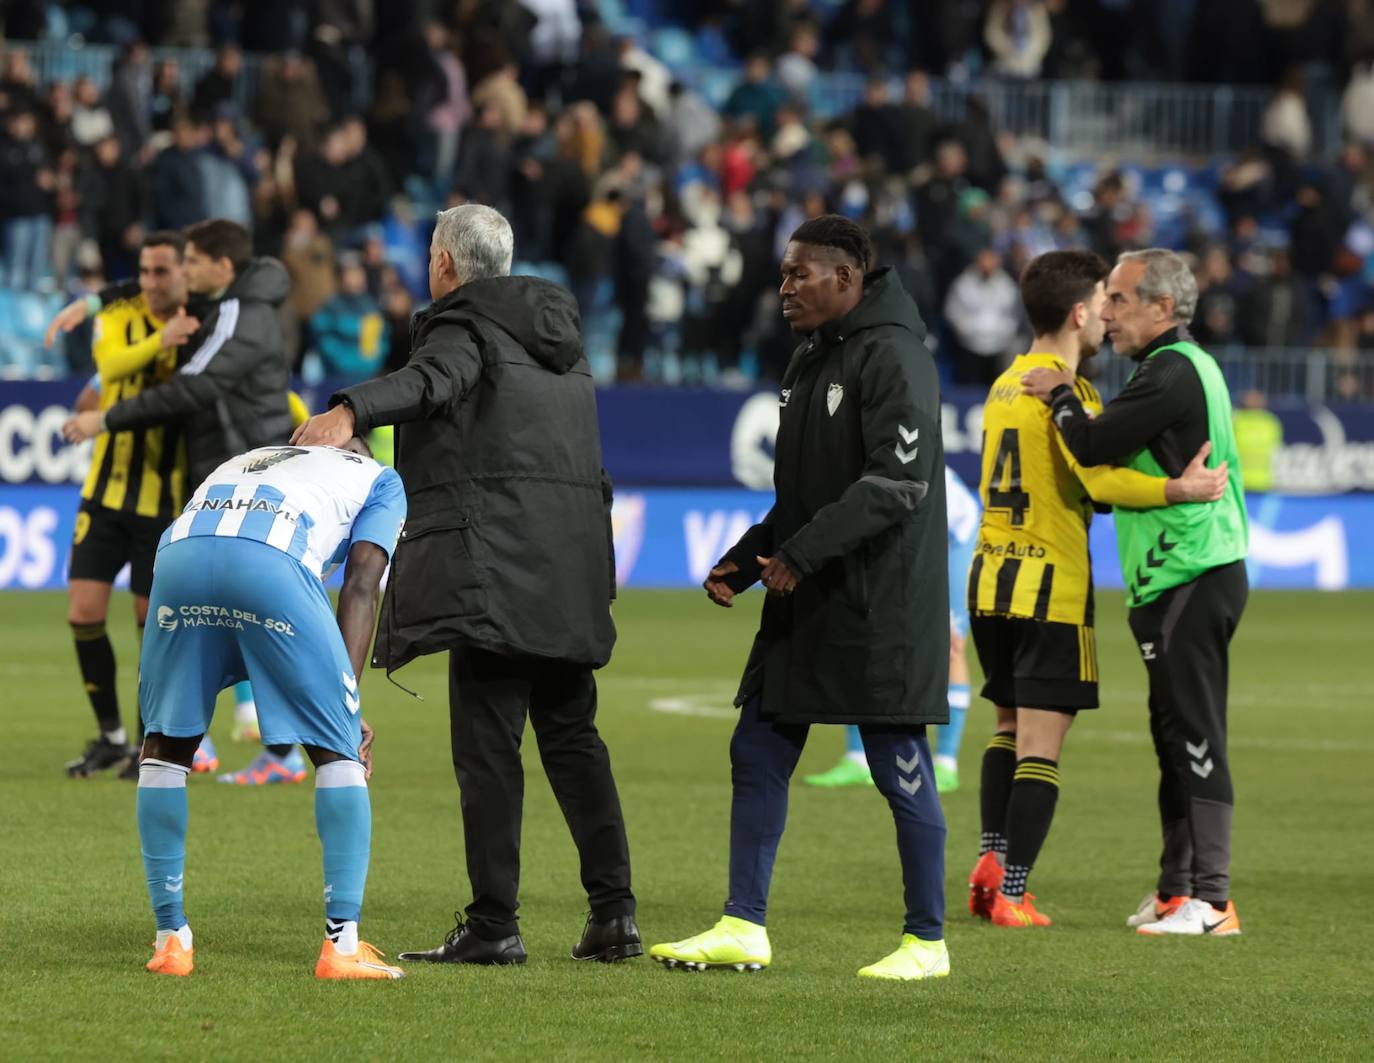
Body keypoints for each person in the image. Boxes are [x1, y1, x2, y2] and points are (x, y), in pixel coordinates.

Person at [292, 204, 638, 966]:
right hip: (568, 569)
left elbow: (432, 382)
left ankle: (494, 922)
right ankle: (614, 914)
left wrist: (351, 409)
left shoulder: (463, 326)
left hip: (495, 572)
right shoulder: (564, 347)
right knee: (574, 740)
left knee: (487, 749)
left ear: (446, 264)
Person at [648, 216, 951, 982]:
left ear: (846, 279)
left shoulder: (897, 355)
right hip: (805, 595)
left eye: (798, 274)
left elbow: (896, 484)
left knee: (899, 765)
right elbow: (803, 493)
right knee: (756, 748)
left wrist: (800, 555)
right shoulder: (810, 359)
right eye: (783, 274)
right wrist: (748, 560)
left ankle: (927, 940)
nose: (783, 288)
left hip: (875, 600)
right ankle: (743, 923)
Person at [967, 250, 1228, 930]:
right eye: (1102, 303)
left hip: (990, 577)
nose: (1107, 316)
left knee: (1004, 725)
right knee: (1040, 745)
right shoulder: (1067, 394)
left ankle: (989, 863)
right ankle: (1014, 893)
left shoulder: (1001, 385)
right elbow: (1100, 480)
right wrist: (1179, 486)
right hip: (1049, 584)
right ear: (1079, 312)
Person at [134, 440, 407, 979]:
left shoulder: (251, 455)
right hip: (270, 561)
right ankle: (342, 947)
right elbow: (360, 584)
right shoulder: (380, 478)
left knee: (164, 747)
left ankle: (170, 939)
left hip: (179, 557)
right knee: (337, 750)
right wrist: (344, 702)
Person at [61, 231, 200, 779]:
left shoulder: (200, 325)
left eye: (161, 272)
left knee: (151, 622)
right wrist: (161, 338)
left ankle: (149, 739)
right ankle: (111, 736)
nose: (150, 282)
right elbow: (112, 366)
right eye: (143, 272)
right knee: (83, 613)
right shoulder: (122, 315)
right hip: (105, 492)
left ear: (183, 274)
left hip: (160, 500)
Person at [61, 219, 294, 490]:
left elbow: (191, 389)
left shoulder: (237, 315)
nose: (184, 271)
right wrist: (95, 301)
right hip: (231, 464)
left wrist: (105, 420)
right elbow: (158, 288)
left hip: (247, 472)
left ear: (223, 267)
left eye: (193, 262)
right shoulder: (219, 302)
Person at [803, 465, 980, 792]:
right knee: (863, 633)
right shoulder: (846, 462)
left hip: (952, 534)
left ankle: (946, 763)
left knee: (949, 642)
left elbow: (913, 525)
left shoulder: (901, 460)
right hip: (897, 538)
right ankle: (857, 759)